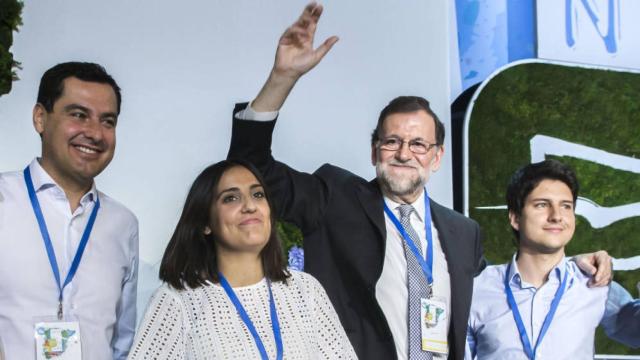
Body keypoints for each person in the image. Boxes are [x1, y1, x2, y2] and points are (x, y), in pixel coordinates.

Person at [227, 3, 613, 360]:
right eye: (392, 141)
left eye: (417, 144)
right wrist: (281, 79)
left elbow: (503, 297)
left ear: (437, 156)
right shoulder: (335, 198)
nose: (403, 153)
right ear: (374, 149)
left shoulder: (463, 233)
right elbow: (252, 168)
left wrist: (565, 264)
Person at [128, 160, 355, 359]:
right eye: (230, 198)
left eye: (258, 194)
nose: (249, 206)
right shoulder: (178, 301)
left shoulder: (306, 290)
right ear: (205, 223)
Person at [0, 62, 138, 359]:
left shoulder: (123, 224)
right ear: (40, 118)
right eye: (78, 115)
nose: (95, 133)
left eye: (108, 121)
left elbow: (122, 343)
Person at [465, 160, 640, 359]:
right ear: (515, 218)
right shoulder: (477, 289)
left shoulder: (594, 284)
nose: (556, 216)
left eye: (566, 206)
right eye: (542, 205)